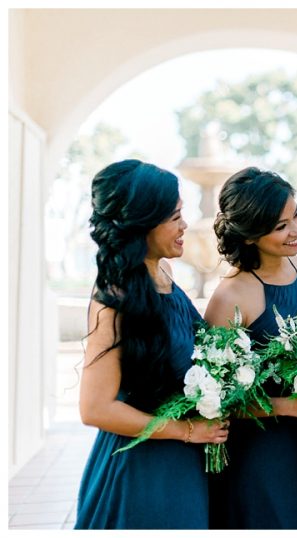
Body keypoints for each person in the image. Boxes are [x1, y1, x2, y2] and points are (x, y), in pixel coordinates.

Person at [75, 160, 229, 529]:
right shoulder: (115, 298)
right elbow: (94, 408)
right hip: (142, 473)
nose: (185, 225)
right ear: (143, 223)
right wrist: (187, 431)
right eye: (174, 216)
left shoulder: (164, 273)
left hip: (183, 465)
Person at [204, 167, 297, 529]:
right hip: (262, 455)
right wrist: (290, 406)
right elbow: (216, 399)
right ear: (250, 235)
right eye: (280, 226)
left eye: (295, 214)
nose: (295, 230)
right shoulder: (230, 296)